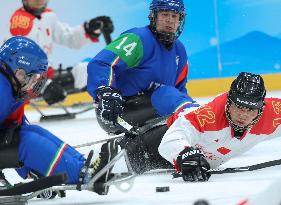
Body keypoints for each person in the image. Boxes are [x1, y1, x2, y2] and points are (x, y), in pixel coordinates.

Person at [87, 0, 199, 173]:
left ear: (180, 21)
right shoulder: (138, 39)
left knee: (176, 108)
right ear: (153, 17)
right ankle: (204, 125)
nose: (169, 20)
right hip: (116, 111)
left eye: (174, 16)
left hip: (149, 113)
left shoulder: (180, 52)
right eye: (164, 15)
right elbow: (102, 63)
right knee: (168, 95)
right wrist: (106, 92)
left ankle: (151, 152)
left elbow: (180, 93)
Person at [0, 36, 117, 195]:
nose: (34, 82)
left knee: (31, 132)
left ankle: (83, 167)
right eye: (31, 77)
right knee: (26, 141)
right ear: (18, 72)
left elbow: (17, 126)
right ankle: (85, 175)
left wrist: (33, 169)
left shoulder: (10, 88)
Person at [158, 72, 281, 182]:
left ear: (261, 108)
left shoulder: (273, 113)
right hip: (166, 142)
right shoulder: (209, 115)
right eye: (239, 107)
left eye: (250, 110)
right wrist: (185, 155)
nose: (243, 115)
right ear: (228, 102)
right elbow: (171, 139)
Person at [8, 0, 114, 105]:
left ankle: (111, 95)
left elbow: (69, 37)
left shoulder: (47, 15)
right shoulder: (21, 22)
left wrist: (90, 29)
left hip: (47, 76)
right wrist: (43, 86)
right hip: (27, 85)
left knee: (90, 68)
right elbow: (18, 65)